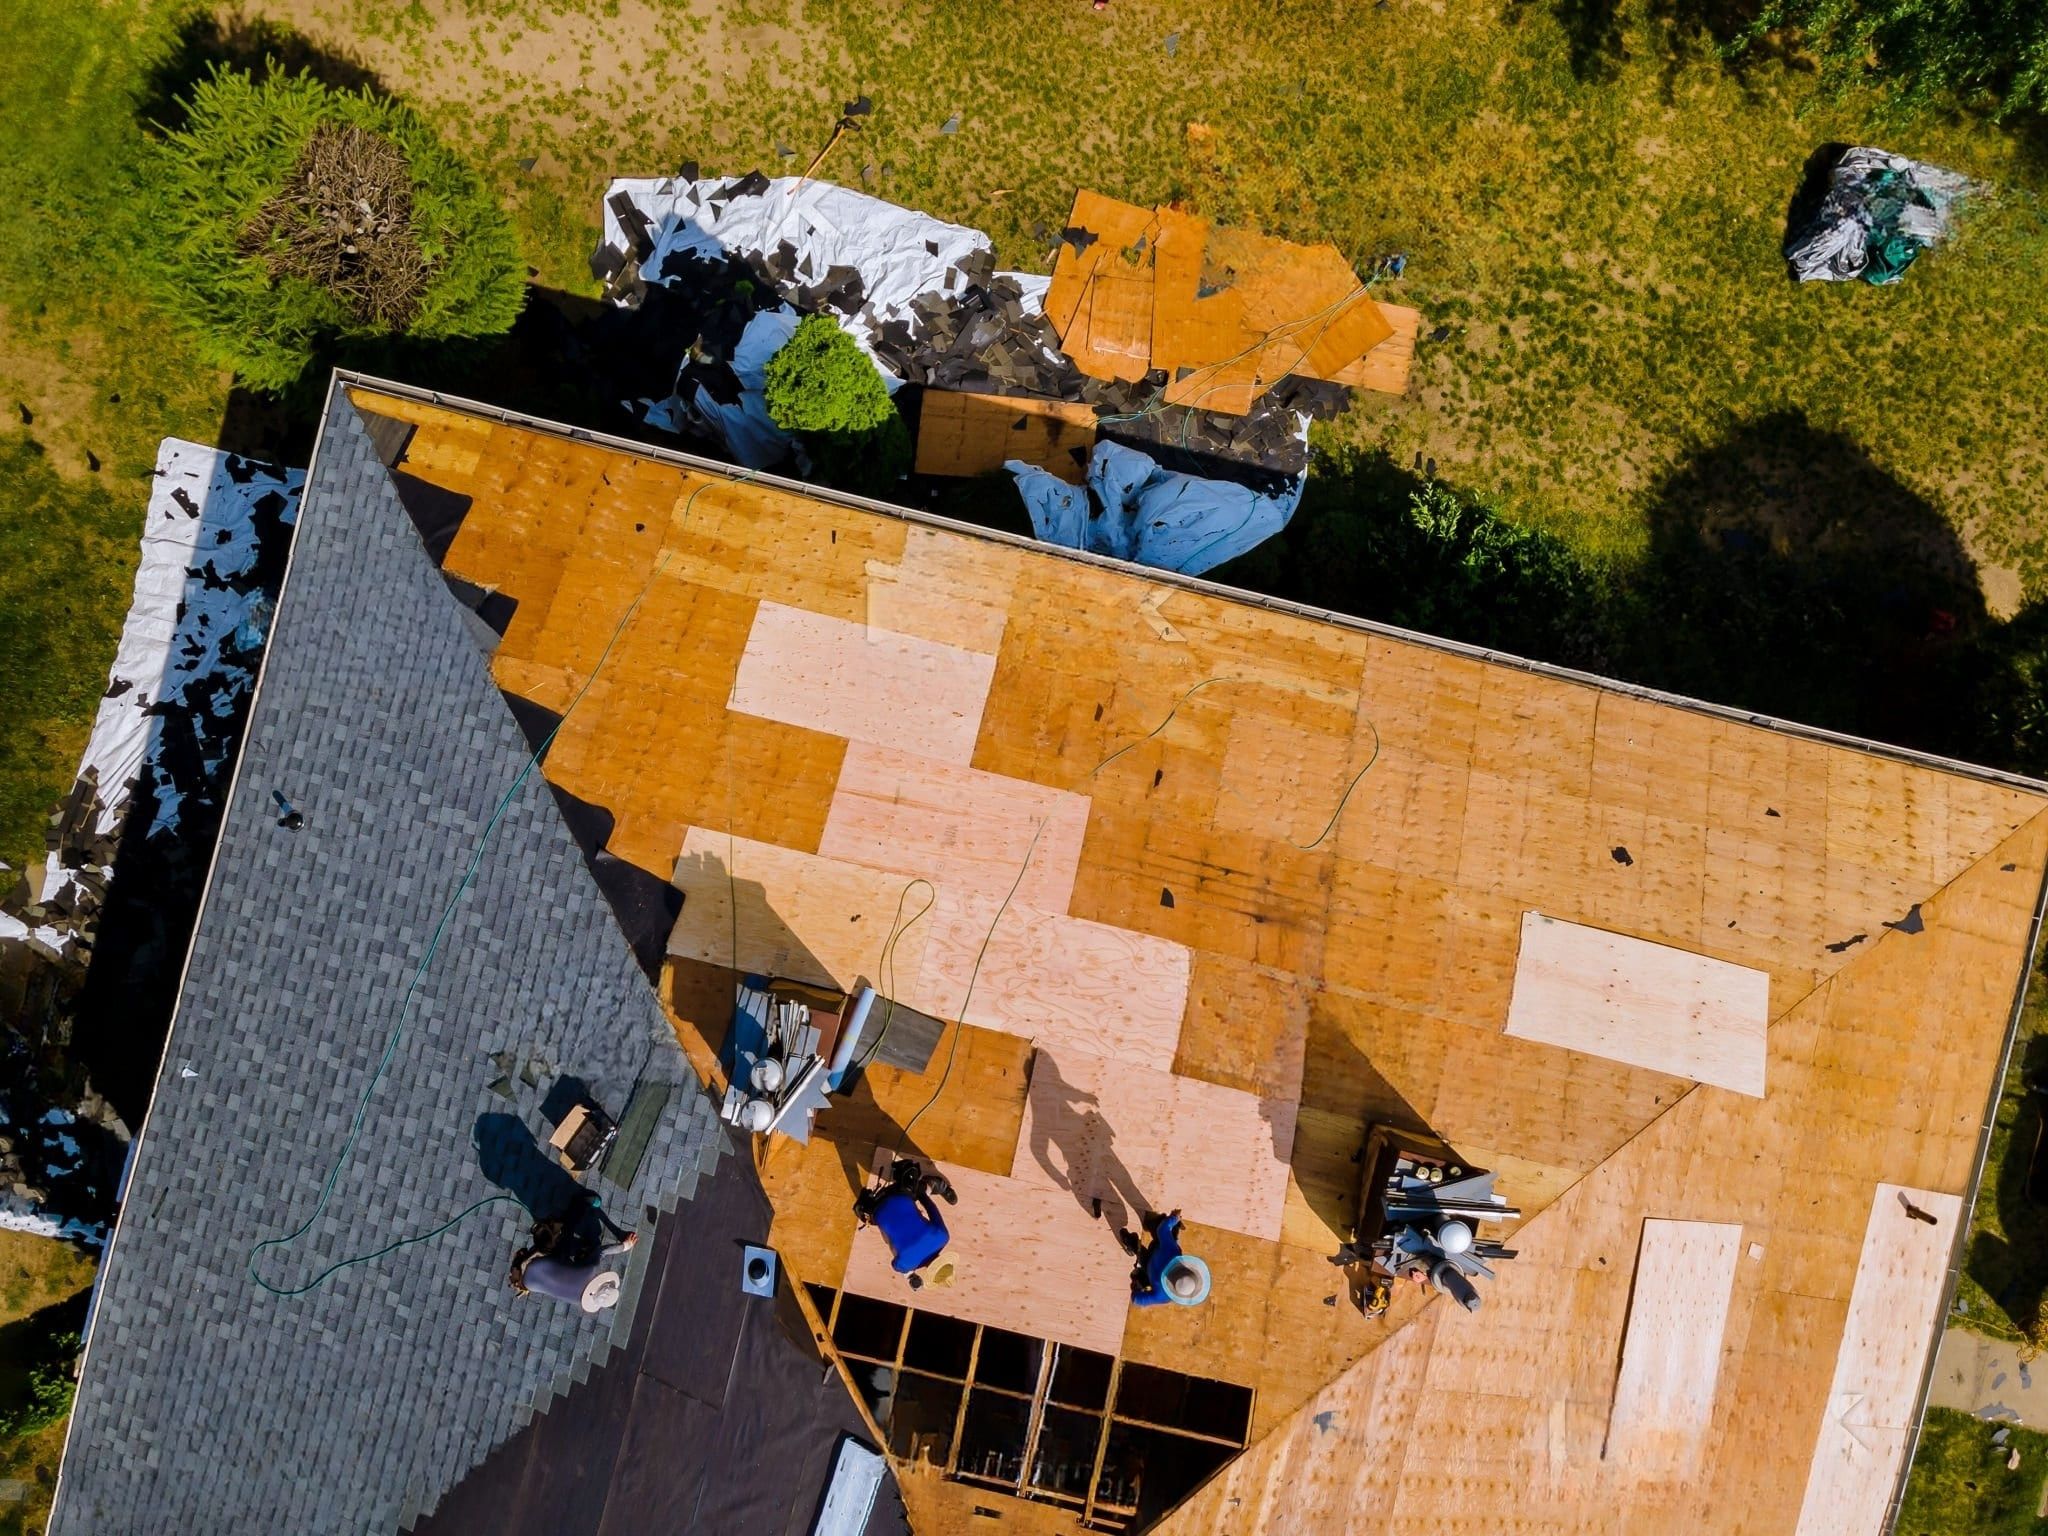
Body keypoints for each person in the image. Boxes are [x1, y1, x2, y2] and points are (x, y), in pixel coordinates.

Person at [508, 1197, 638, 1313]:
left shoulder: (590, 1270)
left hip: (536, 1263)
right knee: (570, 1260)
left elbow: (601, 1251)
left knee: (583, 1243)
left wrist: (624, 1246)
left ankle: (579, 1205)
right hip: (529, 1282)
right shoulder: (579, 1300)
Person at [853, 1156, 957, 1285]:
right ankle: (866, 1199)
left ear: (945, 1261)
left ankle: (934, 1184)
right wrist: (910, 1275)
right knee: (872, 1221)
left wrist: (920, 1191)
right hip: (876, 1207)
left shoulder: (943, 1237)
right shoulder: (904, 1265)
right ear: (929, 1273)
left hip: (901, 1193)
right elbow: (896, 1263)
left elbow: (930, 1206)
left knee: (917, 1192)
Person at [1117, 1208, 1210, 1308]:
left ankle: (1159, 1225)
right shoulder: (1163, 1297)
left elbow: (1162, 1229)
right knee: (1141, 1269)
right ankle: (1131, 1242)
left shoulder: (1173, 1252)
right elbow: (1136, 1299)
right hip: (1148, 1267)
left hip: (1158, 1249)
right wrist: (1137, 1287)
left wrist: (1174, 1218)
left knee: (1168, 1234)